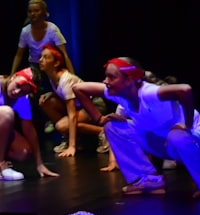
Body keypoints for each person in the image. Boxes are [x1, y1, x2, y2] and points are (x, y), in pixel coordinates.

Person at [72, 57, 200, 197]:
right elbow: (78, 88)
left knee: (177, 136)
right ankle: (148, 180)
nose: (105, 81)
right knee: (112, 126)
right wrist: (99, 118)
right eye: (106, 76)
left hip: (191, 142)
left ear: (129, 80)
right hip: (164, 142)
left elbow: (184, 90)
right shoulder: (120, 94)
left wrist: (187, 125)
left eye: (111, 77)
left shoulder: (149, 93)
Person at [36, 43, 107, 156]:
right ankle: (73, 138)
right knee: (46, 102)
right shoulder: (52, 76)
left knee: (62, 125)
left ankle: (104, 133)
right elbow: (62, 95)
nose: (40, 60)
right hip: (81, 106)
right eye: (41, 57)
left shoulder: (66, 80)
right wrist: (50, 94)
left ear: (56, 63)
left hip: (93, 105)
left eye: (46, 57)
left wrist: (71, 147)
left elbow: (72, 115)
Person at [9, 0, 76, 92]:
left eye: (36, 11)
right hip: (35, 66)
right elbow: (19, 55)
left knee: (56, 89)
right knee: (33, 88)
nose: (33, 14)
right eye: (30, 11)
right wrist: (12, 73)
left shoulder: (52, 29)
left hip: (51, 65)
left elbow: (64, 54)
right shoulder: (25, 31)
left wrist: (72, 75)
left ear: (44, 12)